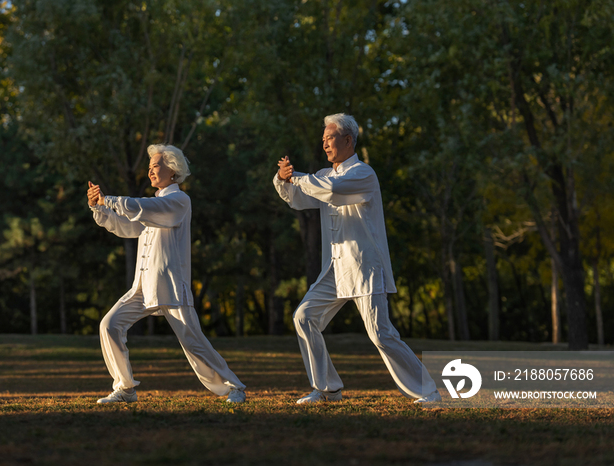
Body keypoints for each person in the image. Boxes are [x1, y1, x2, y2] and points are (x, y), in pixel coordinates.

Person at [273, 113, 440, 404]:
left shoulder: (363, 173)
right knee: (304, 317)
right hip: (336, 269)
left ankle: (428, 392)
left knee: (381, 334)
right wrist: (283, 179)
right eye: (323, 139)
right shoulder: (324, 175)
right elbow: (298, 199)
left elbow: (332, 192)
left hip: (365, 266)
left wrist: (297, 177)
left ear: (348, 140)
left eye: (330, 138)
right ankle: (327, 389)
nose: (324, 144)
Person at [87, 144, 246, 404]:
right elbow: (126, 227)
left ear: (173, 169)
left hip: (171, 286)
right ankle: (126, 388)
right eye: (149, 167)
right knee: (110, 325)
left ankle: (235, 387)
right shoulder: (153, 204)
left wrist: (111, 200)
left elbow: (145, 209)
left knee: (194, 343)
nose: (150, 171)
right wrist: (99, 208)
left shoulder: (179, 201)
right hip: (142, 286)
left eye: (156, 166)